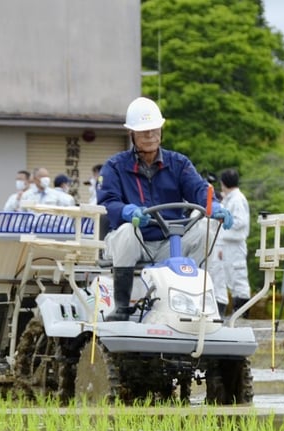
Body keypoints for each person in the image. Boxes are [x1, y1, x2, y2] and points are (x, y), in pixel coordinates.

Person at [97, 96, 233, 321]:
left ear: (161, 130)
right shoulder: (114, 166)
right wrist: (126, 211)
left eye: (154, 130)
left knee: (207, 227)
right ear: (131, 134)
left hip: (170, 243)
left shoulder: (179, 163)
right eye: (143, 132)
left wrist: (214, 206)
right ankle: (121, 306)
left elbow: (198, 189)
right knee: (127, 231)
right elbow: (107, 201)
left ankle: (195, 300)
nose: (150, 136)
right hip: (132, 244)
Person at [208, 168, 251, 316]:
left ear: (223, 182)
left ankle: (243, 312)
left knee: (238, 277)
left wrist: (224, 226)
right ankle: (233, 310)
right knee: (224, 277)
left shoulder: (237, 199)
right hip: (226, 244)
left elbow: (240, 222)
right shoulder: (229, 198)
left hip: (235, 243)